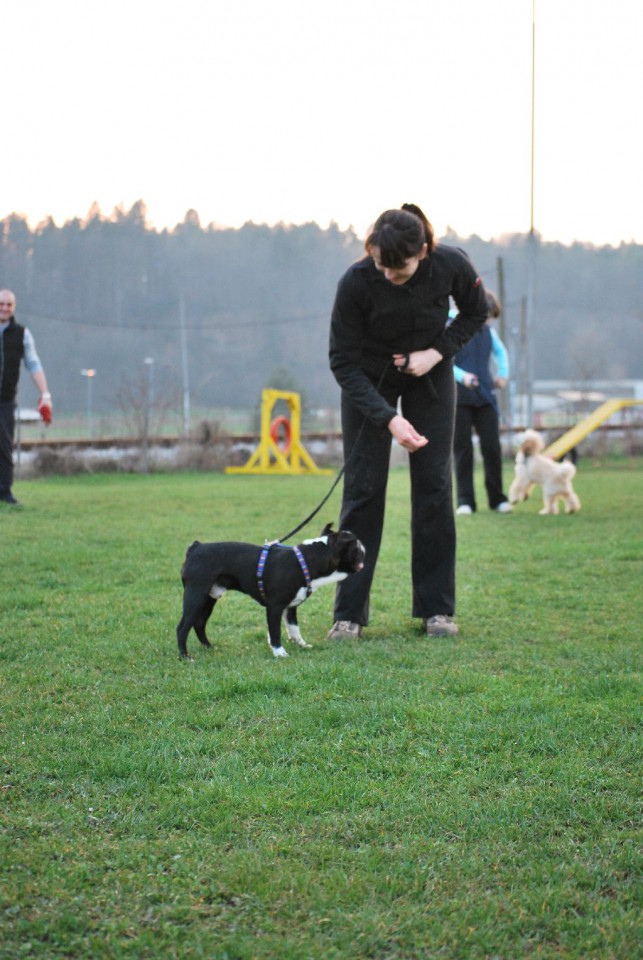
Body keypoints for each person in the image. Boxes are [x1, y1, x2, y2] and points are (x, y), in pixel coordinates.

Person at [327, 205, 488, 639]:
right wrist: (387, 419)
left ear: (423, 252)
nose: (387, 274)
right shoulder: (356, 282)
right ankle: (348, 614)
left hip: (430, 376)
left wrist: (437, 352)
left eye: (397, 268)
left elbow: (476, 312)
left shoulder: (451, 264)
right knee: (363, 490)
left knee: (435, 486)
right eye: (380, 263)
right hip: (368, 378)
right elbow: (340, 361)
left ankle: (437, 610)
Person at [453, 291, 512, 515]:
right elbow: (443, 359)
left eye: (490, 318)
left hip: (485, 395)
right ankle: (465, 501)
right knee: (463, 450)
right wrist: (462, 377)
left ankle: (497, 499)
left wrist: (503, 375)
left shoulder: (488, 332)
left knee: (492, 448)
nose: (488, 322)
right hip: (459, 398)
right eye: (486, 317)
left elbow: (500, 352)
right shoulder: (452, 327)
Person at [0, 289, 52, 505]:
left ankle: (4, 492)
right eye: (1, 304)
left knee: (4, 445)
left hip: (5, 399)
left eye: (9, 305)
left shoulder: (22, 334)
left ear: (14, 307)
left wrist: (45, 395)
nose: (4, 308)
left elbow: (33, 364)